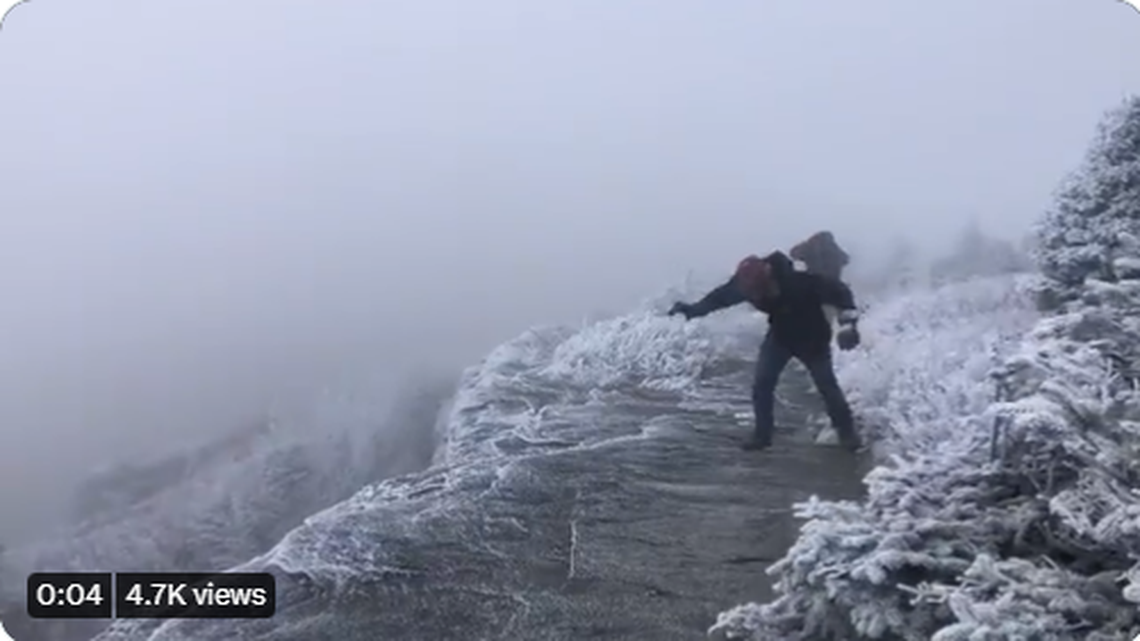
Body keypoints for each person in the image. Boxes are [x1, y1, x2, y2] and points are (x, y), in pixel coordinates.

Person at [668, 251, 863, 452]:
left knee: (826, 386)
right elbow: (719, 298)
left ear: (770, 278)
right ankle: (762, 436)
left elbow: (841, 292)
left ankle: (847, 434)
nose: (755, 297)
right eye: (750, 293)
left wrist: (849, 325)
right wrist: (692, 310)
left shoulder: (800, 283)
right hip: (780, 336)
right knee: (762, 384)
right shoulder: (745, 285)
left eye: (759, 291)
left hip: (813, 339)